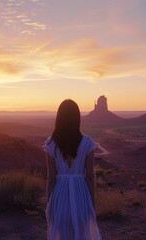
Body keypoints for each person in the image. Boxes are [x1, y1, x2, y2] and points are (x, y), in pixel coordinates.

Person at [43, 99, 102, 240]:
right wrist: (91, 202)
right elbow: (90, 176)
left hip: (59, 196)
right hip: (81, 195)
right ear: (77, 118)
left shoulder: (51, 144)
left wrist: (49, 203)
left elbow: (51, 178)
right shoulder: (87, 143)